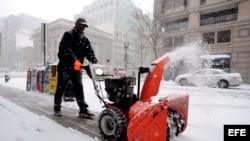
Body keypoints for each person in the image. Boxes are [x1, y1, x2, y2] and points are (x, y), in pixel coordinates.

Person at [54, 18, 98, 118]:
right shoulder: (68, 35)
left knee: (79, 87)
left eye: (84, 26)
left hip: (76, 68)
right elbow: (66, 50)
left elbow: (89, 51)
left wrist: (93, 59)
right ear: (76, 25)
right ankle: (57, 107)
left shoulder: (84, 39)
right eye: (81, 25)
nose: (82, 28)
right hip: (65, 66)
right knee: (61, 87)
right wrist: (74, 60)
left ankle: (83, 110)